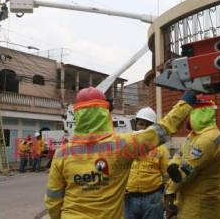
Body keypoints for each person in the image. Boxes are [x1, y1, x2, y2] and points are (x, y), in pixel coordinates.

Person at [44, 87, 196, 219]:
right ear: (105, 114)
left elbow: (53, 200)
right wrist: (186, 102)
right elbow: (161, 130)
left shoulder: (61, 154)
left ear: (77, 115)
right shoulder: (122, 146)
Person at [165, 94, 220, 219]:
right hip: (188, 201)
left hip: (201, 206)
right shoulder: (194, 135)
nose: (188, 118)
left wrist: (169, 191)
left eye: (191, 113)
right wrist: (173, 164)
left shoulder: (208, 139)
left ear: (200, 113)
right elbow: (180, 153)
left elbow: (188, 171)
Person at [125, 107, 169, 219]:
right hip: (130, 198)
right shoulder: (126, 147)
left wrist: (167, 195)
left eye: (148, 125)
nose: (144, 128)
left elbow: (166, 176)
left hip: (153, 198)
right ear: (135, 125)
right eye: (141, 124)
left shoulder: (161, 149)